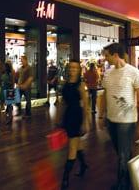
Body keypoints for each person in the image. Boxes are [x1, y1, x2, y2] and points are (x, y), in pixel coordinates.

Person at [99, 43, 139, 190]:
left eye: (107, 55)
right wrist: (102, 116)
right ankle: (131, 179)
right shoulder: (107, 73)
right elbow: (104, 95)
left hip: (127, 122)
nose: (105, 58)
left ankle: (122, 185)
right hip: (111, 120)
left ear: (115, 55)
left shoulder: (134, 73)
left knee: (122, 154)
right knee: (122, 152)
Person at [59, 59, 91, 189]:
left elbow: (86, 105)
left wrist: (86, 122)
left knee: (72, 147)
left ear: (79, 70)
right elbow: (63, 102)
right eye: (71, 67)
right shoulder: (66, 83)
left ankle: (65, 179)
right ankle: (83, 165)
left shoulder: (81, 85)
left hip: (77, 116)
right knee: (76, 144)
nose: (72, 70)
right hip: (68, 115)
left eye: (75, 68)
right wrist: (60, 118)